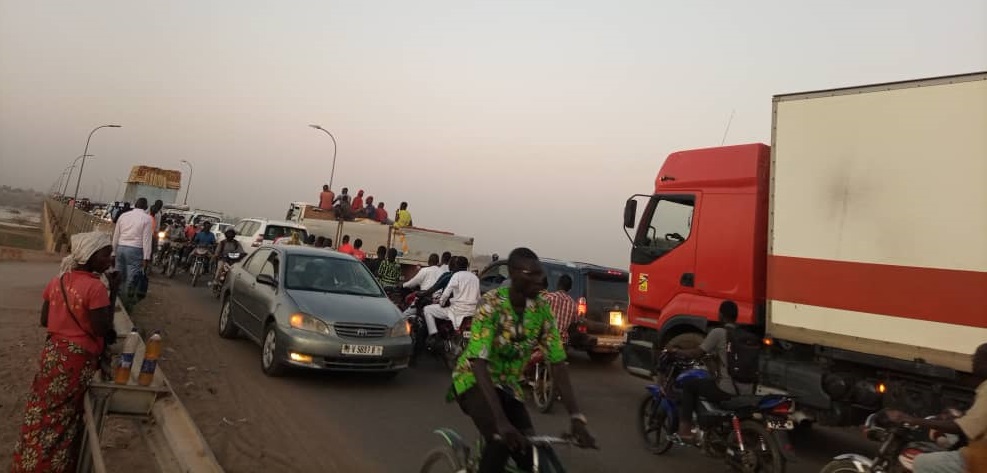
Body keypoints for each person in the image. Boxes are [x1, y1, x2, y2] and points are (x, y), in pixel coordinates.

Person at [449, 247, 595, 472]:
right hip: (473, 382)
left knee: (528, 454)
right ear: (513, 275)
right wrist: (501, 421)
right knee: (500, 441)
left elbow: (557, 363)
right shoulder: (491, 304)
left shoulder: (542, 310)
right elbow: (478, 364)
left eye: (540, 274)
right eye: (532, 275)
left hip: (509, 387)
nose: (540, 280)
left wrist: (577, 417)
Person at [11, 232, 116, 472]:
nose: (109, 259)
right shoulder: (96, 288)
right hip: (76, 361)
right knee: (64, 419)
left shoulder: (58, 280)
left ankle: (26, 462)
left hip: (52, 355)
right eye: (105, 254)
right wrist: (114, 292)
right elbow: (101, 328)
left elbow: (44, 318)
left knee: (41, 412)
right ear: (90, 256)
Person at [885, 343, 987, 473]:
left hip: (980, 459)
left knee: (919, 461)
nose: (973, 361)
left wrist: (912, 420)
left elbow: (962, 428)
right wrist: (960, 417)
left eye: (978, 358)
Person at [667, 300, 751, 441]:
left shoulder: (719, 333)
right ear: (736, 316)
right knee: (708, 382)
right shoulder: (743, 335)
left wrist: (677, 351)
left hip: (727, 389)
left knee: (690, 385)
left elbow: (697, 352)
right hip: (747, 389)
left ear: (721, 316)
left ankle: (685, 431)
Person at [423, 257, 480, 337]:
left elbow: (446, 293)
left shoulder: (456, 276)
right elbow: (479, 297)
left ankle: (433, 335)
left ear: (456, 265)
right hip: (472, 312)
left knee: (427, 309)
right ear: (467, 265)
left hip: (456, 311)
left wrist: (441, 303)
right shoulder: (475, 278)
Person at [112, 198, 154, 307]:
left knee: (119, 276)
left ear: (135, 205)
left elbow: (116, 235)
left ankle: (115, 301)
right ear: (146, 207)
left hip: (121, 248)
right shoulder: (147, 219)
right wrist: (146, 257)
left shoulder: (124, 216)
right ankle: (125, 305)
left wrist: (113, 252)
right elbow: (147, 240)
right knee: (131, 279)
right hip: (136, 250)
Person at [543, 274, 578, 346]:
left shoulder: (549, 298)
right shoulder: (573, 304)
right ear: (570, 288)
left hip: (547, 340)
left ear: (558, 284)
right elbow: (574, 324)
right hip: (562, 343)